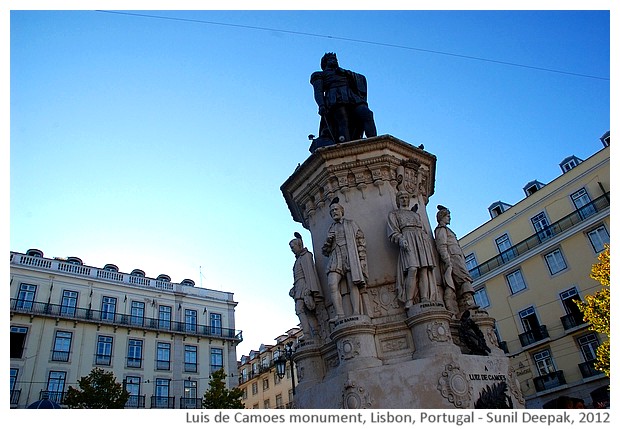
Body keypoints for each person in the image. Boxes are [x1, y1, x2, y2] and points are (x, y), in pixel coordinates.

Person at [310, 52, 377, 145]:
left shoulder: (344, 72)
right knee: (342, 119)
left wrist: (346, 73)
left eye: (335, 59)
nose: (334, 61)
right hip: (334, 98)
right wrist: (321, 105)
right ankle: (345, 145)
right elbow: (318, 91)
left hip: (352, 97)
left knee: (366, 113)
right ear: (324, 63)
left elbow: (361, 79)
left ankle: (374, 142)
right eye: (331, 59)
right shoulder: (319, 74)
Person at [387, 191, 437, 309]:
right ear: (397, 201)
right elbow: (393, 231)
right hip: (407, 239)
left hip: (421, 241)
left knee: (424, 269)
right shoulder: (394, 214)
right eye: (402, 198)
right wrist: (400, 239)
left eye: (406, 197)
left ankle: (424, 297)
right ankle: (409, 299)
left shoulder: (416, 215)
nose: (404, 200)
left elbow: (423, 229)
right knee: (412, 268)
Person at [321, 197, 368, 321]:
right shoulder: (331, 228)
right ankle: (340, 314)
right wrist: (328, 241)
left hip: (349, 254)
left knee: (352, 283)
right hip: (336, 256)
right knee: (332, 284)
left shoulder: (350, 224)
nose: (334, 212)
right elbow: (325, 252)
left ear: (342, 211)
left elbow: (360, 240)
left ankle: (356, 311)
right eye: (332, 211)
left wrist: (362, 259)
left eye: (336, 209)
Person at [434, 205, 476, 314]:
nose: (449, 218)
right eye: (447, 216)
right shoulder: (441, 230)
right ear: (442, 217)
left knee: (462, 279)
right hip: (452, 258)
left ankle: (465, 303)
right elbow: (441, 245)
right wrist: (446, 259)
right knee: (462, 279)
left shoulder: (447, 230)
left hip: (457, 257)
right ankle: (468, 302)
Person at [289, 232, 323, 338]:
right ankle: (311, 332)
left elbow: (310, 273)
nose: (292, 249)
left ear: (299, 245)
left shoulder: (306, 256)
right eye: (291, 248)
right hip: (298, 286)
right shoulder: (298, 260)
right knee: (303, 310)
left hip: (305, 285)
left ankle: (311, 333)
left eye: (293, 247)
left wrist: (310, 287)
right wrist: (294, 288)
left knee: (304, 309)